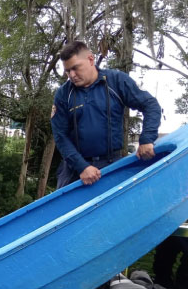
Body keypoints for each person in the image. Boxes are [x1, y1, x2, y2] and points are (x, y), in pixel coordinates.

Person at [51, 41, 163, 188]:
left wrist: (147, 139)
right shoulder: (63, 94)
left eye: (75, 68)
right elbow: (60, 135)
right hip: (75, 169)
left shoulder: (116, 81)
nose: (71, 75)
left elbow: (150, 105)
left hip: (112, 163)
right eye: (67, 71)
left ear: (90, 60)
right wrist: (82, 167)